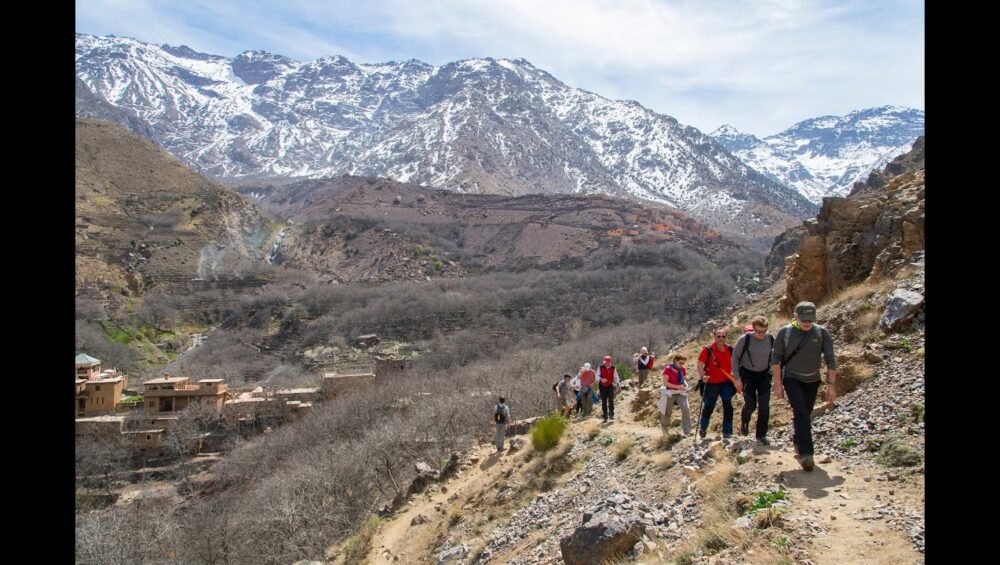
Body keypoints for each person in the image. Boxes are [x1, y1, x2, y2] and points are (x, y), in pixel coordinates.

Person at [772, 302, 837, 472]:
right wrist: (778, 383)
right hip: (792, 378)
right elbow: (776, 359)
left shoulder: (821, 333)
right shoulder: (785, 333)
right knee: (800, 411)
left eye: (810, 319)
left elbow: (831, 359)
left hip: (813, 379)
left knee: (805, 413)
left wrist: (831, 385)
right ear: (796, 316)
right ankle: (807, 454)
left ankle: (797, 439)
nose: (807, 322)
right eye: (804, 319)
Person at [732, 315, 775, 446]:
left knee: (764, 405)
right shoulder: (745, 339)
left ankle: (761, 434)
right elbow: (735, 358)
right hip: (748, 375)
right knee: (751, 404)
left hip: (764, 375)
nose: (761, 334)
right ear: (753, 329)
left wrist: (777, 376)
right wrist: (737, 378)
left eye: (763, 331)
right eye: (758, 331)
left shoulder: (771, 339)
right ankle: (745, 420)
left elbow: (776, 358)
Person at [697, 328, 741, 439]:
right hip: (711, 383)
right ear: (714, 337)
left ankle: (727, 432)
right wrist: (703, 377)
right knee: (709, 407)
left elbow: (738, 363)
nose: (721, 338)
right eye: (718, 336)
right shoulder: (708, 350)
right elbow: (699, 364)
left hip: (725, 383)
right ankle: (703, 428)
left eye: (723, 336)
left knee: (728, 406)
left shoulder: (731, 349)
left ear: (726, 337)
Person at [659, 354, 692, 435]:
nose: (682, 365)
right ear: (675, 361)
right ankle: (665, 430)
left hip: (680, 392)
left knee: (686, 409)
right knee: (666, 411)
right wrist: (677, 386)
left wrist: (686, 386)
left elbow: (683, 381)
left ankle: (687, 430)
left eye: (683, 363)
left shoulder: (683, 369)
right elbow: (665, 383)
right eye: (680, 363)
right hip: (669, 392)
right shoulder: (668, 369)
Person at [597, 355, 622, 422]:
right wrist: (601, 379)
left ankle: (611, 414)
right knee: (603, 400)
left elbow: (616, 377)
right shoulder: (600, 367)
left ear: (609, 362)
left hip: (610, 385)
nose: (605, 363)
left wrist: (618, 385)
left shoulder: (613, 368)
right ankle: (605, 415)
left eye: (606, 362)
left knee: (611, 399)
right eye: (604, 362)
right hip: (602, 385)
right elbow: (597, 376)